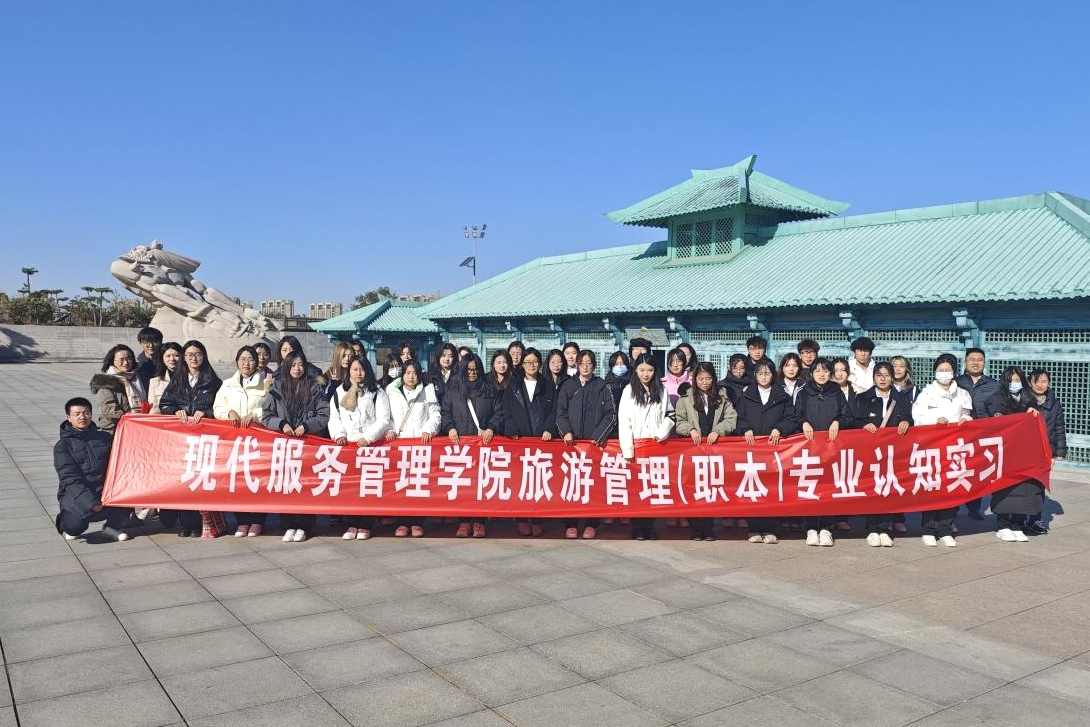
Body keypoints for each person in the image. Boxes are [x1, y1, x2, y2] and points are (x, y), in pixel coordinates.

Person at [262, 350, 330, 542]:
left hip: (307, 445)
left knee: (305, 485)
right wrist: (282, 424)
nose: (297, 369)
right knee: (286, 484)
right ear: (286, 366)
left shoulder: (314, 387)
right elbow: (267, 415)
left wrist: (307, 426)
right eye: (293, 365)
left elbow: (324, 415)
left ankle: (305, 525)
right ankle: (288, 524)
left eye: (300, 365)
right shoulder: (276, 387)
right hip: (284, 446)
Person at [159, 340, 224, 538]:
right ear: (184, 358)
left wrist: (206, 412)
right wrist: (174, 410)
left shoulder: (213, 381)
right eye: (189, 354)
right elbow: (164, 404)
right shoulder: (177, 380)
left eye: (197, 354)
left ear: (204, 356)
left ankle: (202, 522)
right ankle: (186, 523)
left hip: (204, 440)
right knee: (184, 480)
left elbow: (220, 406)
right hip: (182, 441)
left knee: (200, 480)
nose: (193, 358)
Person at [736, 360, 800, 544]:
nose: (764, 377)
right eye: (760, 374)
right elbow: (738, 417)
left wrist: (780, 428)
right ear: (755, 375)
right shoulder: (747, 395)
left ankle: (770, 528)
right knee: (753, 488)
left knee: (772, 488)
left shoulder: (782, 396)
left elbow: (791, 418)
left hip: (774, 450)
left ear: (773, 375)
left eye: (767, 373)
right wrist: (745, 428)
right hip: (752, 450)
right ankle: (754, 528)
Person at [912, 353, 972, 547]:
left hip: (954, 448)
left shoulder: (962, 394)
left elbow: (968, 415)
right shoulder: (926, 393)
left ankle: (946, 528)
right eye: (941, 370)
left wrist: (966, 420)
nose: (944, 373)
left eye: (948, 370)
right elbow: (917, 418)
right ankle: (928, 529)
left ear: (954, 372)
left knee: (951, 488)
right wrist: (934, 421)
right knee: (932, 488)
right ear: (935, 372)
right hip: (932, 447)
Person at [330, 355, 392, 540]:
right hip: (349, 447)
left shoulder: (377, 392)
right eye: (355, 369)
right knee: (350, 488)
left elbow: (383, 419)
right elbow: (334, 417)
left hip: (370, 447)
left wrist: (368, 438)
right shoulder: (339, 392)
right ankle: (351, 523)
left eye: (362, 369)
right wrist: (339, 435)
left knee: (368, 487)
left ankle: (366, 524)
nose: (359, 373)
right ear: (349, 371)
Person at [556, 350, 616, 539]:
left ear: (594, 365)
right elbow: (560, 412)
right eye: (582, 363)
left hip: (594, 445)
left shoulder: (602, 386)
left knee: (593, 485)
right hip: (572, 445)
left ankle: (591, 523)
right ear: (577, 365)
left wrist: (599, 436)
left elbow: (611, 415)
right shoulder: (568, 386)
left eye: (589, 363)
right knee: (572, 484)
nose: (585, 367)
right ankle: (571, 523)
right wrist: (566, 431)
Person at [442, 354, 503, 538]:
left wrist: (492, 427)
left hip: (483, 446)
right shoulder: (453, 391)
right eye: (468, 370)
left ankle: (479, 521)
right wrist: (450, 428)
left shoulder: (489, 390)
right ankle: (463, 521)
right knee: (463, 485)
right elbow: (445, 413)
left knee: (480, 484)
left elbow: (499, 413)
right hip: (460, 446)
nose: (472, 373)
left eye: (475, 369)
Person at [675, 361, 737, 541]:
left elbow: (731, 419)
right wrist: (690, 429)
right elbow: (679, 420)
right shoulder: (685, 398)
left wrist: (718, 430)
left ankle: (708, 527)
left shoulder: (722, 396)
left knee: (711, 488)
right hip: (692, 451)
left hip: (714, 451)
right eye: (701, 378)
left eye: (708, 378)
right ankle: (695, 528)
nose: (705, 382)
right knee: (692, 488)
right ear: (694, 379)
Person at [214, 345, 270, 537]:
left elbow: (271, 407)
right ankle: (242, 521)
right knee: (238, 482)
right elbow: (217, 408)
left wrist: (255, 415)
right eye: (243, 359)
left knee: (258, 481)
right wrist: (228, 412)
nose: (247, 363)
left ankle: (258, 521)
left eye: (251, 359)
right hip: (235, 443)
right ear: (237, 362)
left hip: (259, 442)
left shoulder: (266, 383)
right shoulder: (227, 385)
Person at [795, 357, 853, 546]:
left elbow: (848, 417)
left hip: (831, 449)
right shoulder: (803, 394)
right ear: (811, 373)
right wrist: (803, 423)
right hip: (810, 448)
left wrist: (838, 422)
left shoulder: (837, 393)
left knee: (828, 488)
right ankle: (811, 528)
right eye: (818, 371)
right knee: (811, 488)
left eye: (826, 371)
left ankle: (827, 528)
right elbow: (795, 416)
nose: (822, 374)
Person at [55, 397, 130, 541]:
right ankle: (66, 519)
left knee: (126, 489)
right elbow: (69, 478)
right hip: (77, 494)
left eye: (86, 413)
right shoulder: (62, 446)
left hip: (104, 490)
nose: (82, 417)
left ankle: (112, 527)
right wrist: (90, 502)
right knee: (74, 527)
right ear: (68, 417)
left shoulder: (104, 438)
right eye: (77, 414)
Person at [855, 362, 912, 547]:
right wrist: (863, 425)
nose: (883, 379)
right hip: (870, 452)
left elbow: (909, 418)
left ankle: (885, 528)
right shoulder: (863, 398)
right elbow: (854, 420)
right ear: (874, 377)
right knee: (873, 489)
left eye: (887, 375)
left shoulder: (901, 398)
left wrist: (906, 421)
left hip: (892, 453)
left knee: (887, 490)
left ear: (892, 377)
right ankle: (872, 528)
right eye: (879, 375)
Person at [502, 347, 556, 537]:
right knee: (520, 481)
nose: (531, 365)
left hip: (541, 441)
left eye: (535, 362)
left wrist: (549, 428)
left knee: (539, 481)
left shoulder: (548, 385)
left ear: (540, 364)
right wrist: (512, 430)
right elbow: (506, 412)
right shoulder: (513, 386)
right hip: (520, 441)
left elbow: (555, 410)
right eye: (528, 362)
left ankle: (538, 518)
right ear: (522, 365)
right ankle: (522, 519)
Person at [619, 353, 674, 541]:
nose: (646, 374)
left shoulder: (661, 390)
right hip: (637, 446)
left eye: (649, 370)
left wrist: (662, 432)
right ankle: (637, 527)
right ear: (635, 370)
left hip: (655, 445)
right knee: (637, 488)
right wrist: (628, 449)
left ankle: (649, 526)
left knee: (653, 487)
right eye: (642, 370)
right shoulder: (629, 391)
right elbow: (624, 421)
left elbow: (670, 415)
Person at [386, 358, 442, 537]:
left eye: (415, 373)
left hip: (420, 445)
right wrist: (390, 430)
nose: (411, 377)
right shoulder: (391, 391)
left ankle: (417, 521)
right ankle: (402, 522)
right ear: (402, 374)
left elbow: (436, 414)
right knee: (401, 484)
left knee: (418, 484)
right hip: (400, 446)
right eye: (408, 373)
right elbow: (387, 417)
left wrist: (428, 430)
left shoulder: (427, 390)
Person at [987, 366, 1043, 542]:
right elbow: (996, 422)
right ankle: (1003, 525)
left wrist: (1033, 414)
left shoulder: (1029, 398)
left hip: (1024, 451)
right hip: (1005, 451)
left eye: (1018, 380)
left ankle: (1018, 524)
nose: (1014, 383)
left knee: (1025, 488)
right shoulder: (997, 398)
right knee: (1005, 488)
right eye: (1011, 380)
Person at [956, 347, 1000, 520]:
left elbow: (1000, 406)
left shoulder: (994, 385)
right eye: (972, 359)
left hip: (982, 435)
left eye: (979, 359)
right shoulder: (956, 382)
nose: (976, 362)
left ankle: (974, 508)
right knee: (957, 469)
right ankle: (952, 508)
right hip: (959, 434)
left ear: (984, 362)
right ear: (965, 362)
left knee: (977, 472)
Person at [1027, 368, 1066, 534]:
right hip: (1025, 450)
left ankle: (1034, 520)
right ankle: (1018, 519)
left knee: (1038, 486)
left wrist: (1059, 451)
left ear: (1049, 383)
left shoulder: (1054, 403)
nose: (1040, 385)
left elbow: (1059, 427)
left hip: (1044, 452)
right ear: (1030, 383)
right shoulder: (1023, 400)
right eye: (1036, 381)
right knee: (1023, 486)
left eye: (1044, 381)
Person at [90, 344, 148, 432]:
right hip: (115, 428)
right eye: (121, 359)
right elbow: (109, 409)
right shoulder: (106, 382)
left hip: (139, 425)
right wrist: (130, 418)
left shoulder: (137, 378)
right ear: (112, 361)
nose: (126, 362)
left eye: (129, 358)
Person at [147, 342, 182, 414]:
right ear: (162, 359)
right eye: (168, 356)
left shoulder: (191, 379)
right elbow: (153, 408)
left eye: (176, 355)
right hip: (163, 419)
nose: (172, 359)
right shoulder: (155, 382)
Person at [135, 326, 163, 392]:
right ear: (140, 343)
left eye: (154, 342)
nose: (150, 345)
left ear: (160, 342)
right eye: (146, 342)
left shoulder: (167, 361)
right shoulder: (137, 365)